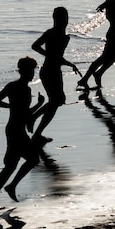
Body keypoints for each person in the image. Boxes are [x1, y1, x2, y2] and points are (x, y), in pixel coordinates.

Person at [0, 57, 45, 208]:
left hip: (13, 128)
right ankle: (7, 188)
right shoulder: (24, 89)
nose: (32, 74)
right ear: (23, 71)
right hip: (16, 130)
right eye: (31, 71)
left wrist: (12, 107)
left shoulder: (12, 86)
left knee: (12, 165)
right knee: (32, 159)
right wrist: (39, 104)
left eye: (33, 70)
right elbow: (26, 114)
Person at [31, 7, 80, 143]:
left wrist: (70, 64)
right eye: (63, 18)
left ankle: (37, 132)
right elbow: (35, 46)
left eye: (65, 17)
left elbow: (56, 57)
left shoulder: (59, 34)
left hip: (53, 71)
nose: (65, 20)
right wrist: (49, 55)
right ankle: (33, 120)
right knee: (57, 101)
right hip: (49, 71)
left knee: (56, 102)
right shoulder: (53, 33)